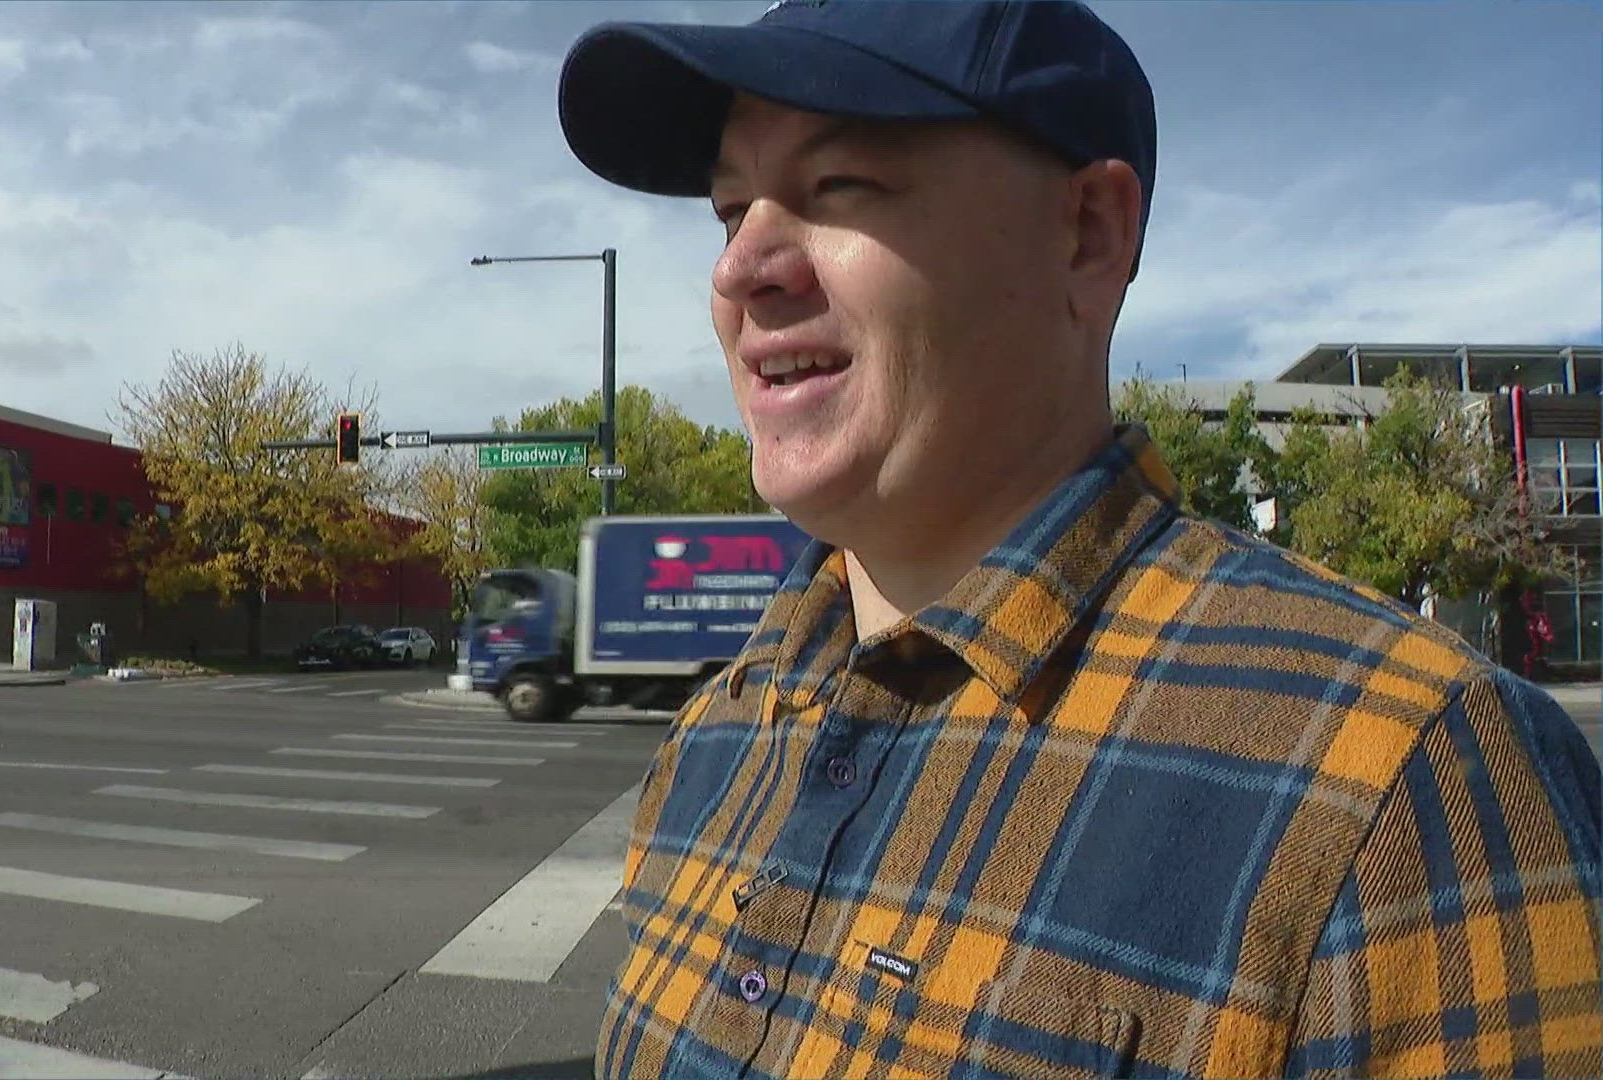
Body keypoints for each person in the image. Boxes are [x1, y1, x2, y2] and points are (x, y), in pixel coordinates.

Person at [554, 2, 1602, 1077]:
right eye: (732, 211)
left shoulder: (1407, 778)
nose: (742, 271)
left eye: (841, 186)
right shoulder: (716, 733)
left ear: (1089, 232)